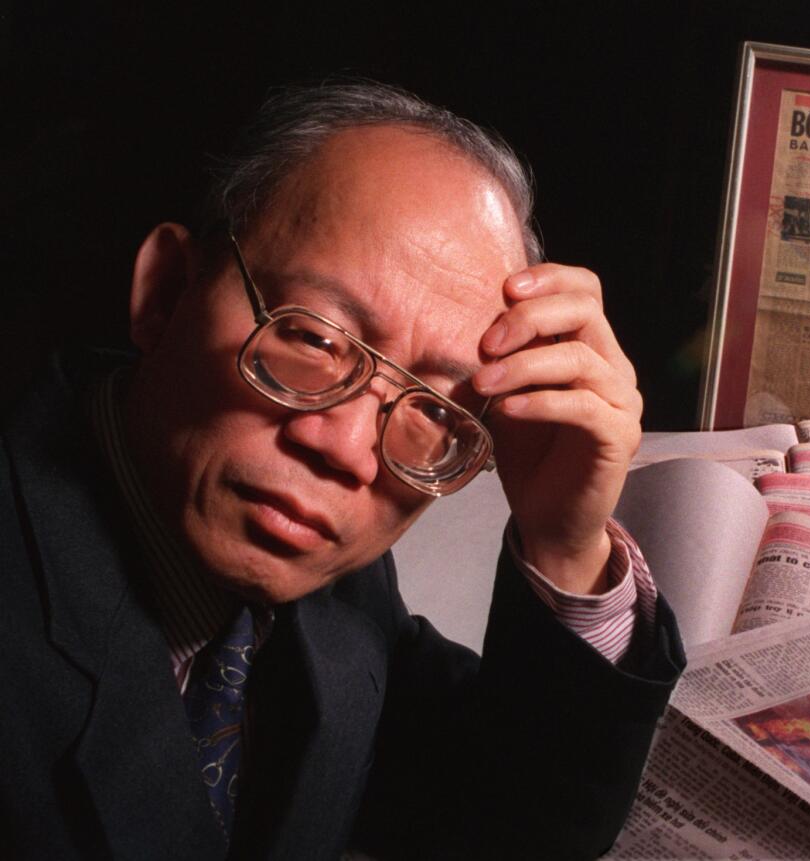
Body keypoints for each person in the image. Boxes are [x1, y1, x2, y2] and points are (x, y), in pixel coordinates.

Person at [0, 81, 684, 859]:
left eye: (432, 406)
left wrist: (564, 542)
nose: (350, 448)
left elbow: (517, 821)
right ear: (165, 292)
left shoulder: (336, 585)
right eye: (316, 340)